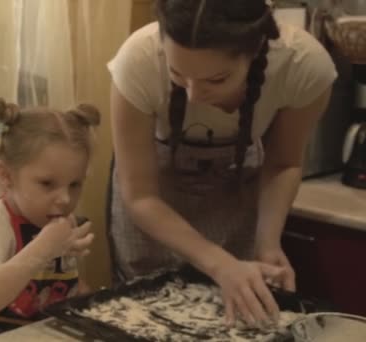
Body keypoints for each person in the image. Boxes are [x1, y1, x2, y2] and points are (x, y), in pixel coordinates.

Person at [107, 0, 336, 327]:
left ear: (255, 50)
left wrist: (266, 243)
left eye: (216, 80)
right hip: (154, 206)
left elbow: (283, 163)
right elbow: (141, 196)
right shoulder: (138, 59)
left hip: (238, 189)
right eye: (177, 75)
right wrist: (219, 263)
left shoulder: (303, 65)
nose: (195, 97)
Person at [0, 97, 100, 341]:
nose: (65, 199)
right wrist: (43, 248)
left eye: (75, 184)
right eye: (47, 184)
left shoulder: (58, 221)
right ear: (6, 175)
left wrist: (88, 299)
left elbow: (58, 286)